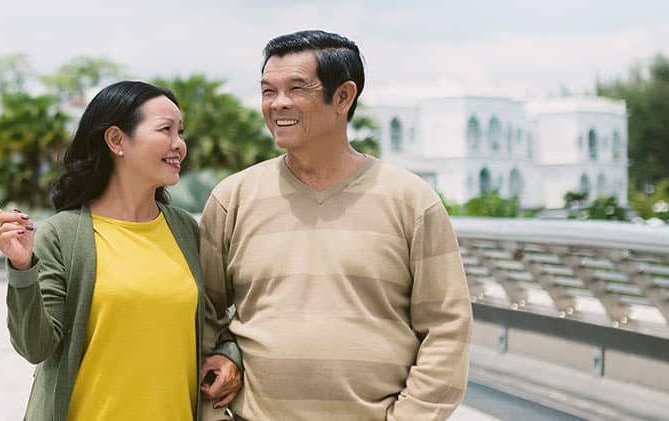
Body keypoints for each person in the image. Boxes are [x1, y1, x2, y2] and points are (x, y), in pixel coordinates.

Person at [199, 29, 474, 420]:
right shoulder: (233, 198)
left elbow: (447, 328)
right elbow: (203, 317)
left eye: (296, 89)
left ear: (343, 97)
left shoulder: (412, 201)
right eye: (267, 91)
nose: (277, 104)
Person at [0, 80, 243, 421]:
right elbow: (36, 346)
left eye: (180, 132)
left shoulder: (185, 230)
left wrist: (230, 356)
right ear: (116, 140)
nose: (179, 144)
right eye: (165, 130)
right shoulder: (64, 234)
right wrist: (22, 268)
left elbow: (220, 318)